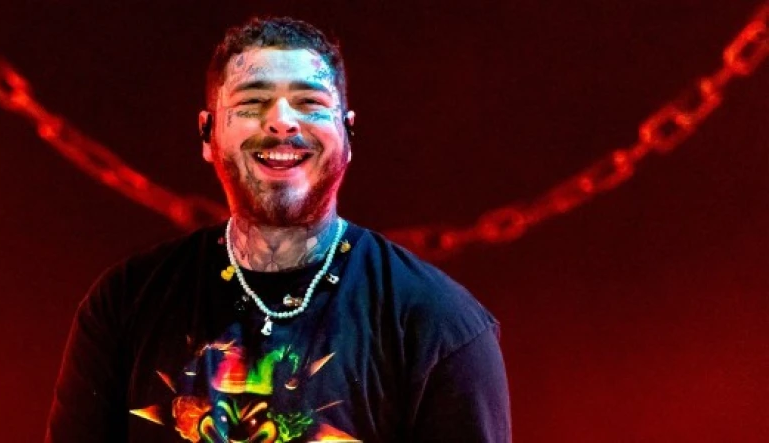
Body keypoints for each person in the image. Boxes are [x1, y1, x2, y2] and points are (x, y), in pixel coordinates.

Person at [46, 16, 511, 443]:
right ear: (208, 133)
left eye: (310, 102)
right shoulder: (123, 306)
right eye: (252, 102)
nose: (282, 121)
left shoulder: (439, 325)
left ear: (348, 134)